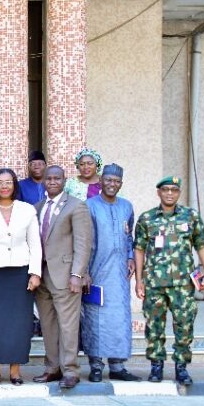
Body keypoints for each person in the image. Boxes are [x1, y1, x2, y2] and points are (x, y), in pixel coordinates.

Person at [134, 176, 204, 384]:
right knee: (154, 327)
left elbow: (202, 244)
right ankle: (156, 367)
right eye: (166, 189)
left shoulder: (190, 216)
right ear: (158, 192)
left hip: (183, 284)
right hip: (154, 284)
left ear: (178, 193)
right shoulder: (147, 219)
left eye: (174, 190)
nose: (170, 193)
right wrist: (139, 280)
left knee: (184, 326)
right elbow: (139, 249)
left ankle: (181, 368)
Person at [0, 169, 42, 385]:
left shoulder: (27, 210)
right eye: (0, 182)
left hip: (20, 274)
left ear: (14, 185)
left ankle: (15, 370)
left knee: (18, 324)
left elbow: (35, 244)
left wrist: (35, 273)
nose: (4, 186)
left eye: (8, 182)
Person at [33, 165, 93, 389]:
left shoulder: (76, 207)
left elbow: (83, 243)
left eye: (57, 178)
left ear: (64, 180)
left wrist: (78, 274)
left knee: (68, 325)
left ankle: (70, 370)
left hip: (66, 275)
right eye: (48, 178)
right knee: (48, 324)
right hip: (42, 276)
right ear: (43, 181)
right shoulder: (37, 207)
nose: (52, 182)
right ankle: (52, 368)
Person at [81, 163, 140, 382]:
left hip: (119, 275)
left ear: (120, 184)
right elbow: (84, 241)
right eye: (108, 180)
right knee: (95, 318)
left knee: (119, 318)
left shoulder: (127, 206)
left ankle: (117, 366)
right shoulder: (89, 206)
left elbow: (129, 236)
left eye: (116, 181)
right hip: (95, 271)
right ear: (101, 182)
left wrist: (130, 257)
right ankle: (96, 366)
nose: (112, 184)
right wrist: (84, 271)